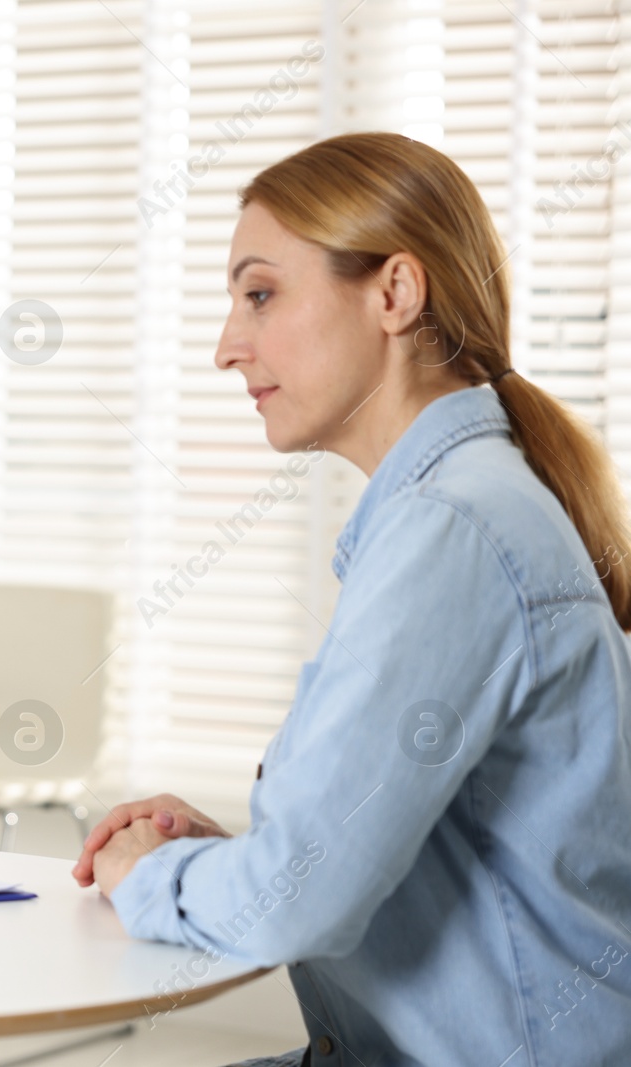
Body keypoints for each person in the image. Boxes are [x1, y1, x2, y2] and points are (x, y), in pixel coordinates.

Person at [73, 132, 631, 1066]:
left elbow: (295, 902)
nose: (226, 346)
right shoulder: (458, 508)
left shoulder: (454, 526)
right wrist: (247, 852)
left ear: (394, 294)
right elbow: (363, 862)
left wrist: (151, 872)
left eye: (260, 293)